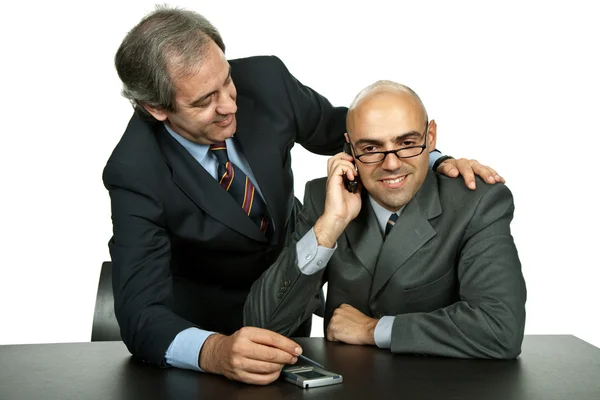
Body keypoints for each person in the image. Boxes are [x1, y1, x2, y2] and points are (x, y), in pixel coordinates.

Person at [103, 6, 505, 385]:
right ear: (156, 108)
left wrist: (433, 159)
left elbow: (350, 134)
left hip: (290, 306)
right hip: (209, 332)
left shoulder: (266, 80)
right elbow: (140, 314)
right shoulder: (134, 171)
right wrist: (214, 351)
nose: (229, 105)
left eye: (226, 80)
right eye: (205, 101)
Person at [245, 80, 527, 359]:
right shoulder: (325, 199)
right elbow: (261, 327)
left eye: (406, 143)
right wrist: (329, 226)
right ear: (349, 149)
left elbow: (500, 329)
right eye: (370, 148)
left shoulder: (477, 201)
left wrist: (373, 329)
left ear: (430, 137)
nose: (391, 164)